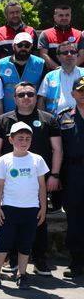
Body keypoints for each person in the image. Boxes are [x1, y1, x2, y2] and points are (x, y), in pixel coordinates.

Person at [0, 81, 62, 276]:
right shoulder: (4, 120)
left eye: (30, 94)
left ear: (35, 96)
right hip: (11, 179)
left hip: (39, 179)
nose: (26, 98)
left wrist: (54, 174)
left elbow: (57, 148)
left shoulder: (48, 119)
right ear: (14, 98)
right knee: (10, 222)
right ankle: (12, 260)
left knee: (39, 220)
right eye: (21, 95)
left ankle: (39, 260)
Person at [0, 122, 48, 290]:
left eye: (27, 138)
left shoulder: (37, 160)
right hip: (9, 208)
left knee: (26, 243)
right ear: (11, 140)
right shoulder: (4, 160)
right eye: (20, 138)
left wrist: (43, 208)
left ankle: (22, 275)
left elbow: (42, 186)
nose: (24, 142)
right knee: (3, 242)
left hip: (31, 209)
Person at [57, 76, 84, 278]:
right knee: (74, 219)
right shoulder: (64, 117)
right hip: (73, 173)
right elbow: (57, 150)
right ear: (73, 93)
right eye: (80, 90)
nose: (83, 94)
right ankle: (77, 262)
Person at [0, 32, 47, 113]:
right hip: (8, 113)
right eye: (19, 45)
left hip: (32, 113)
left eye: (27, 46)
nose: (23, 48)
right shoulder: (1, 64)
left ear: (31, 47)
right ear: (13, 46)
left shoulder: (40, 64)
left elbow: (43, 94)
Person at [0, 0, 38, 73]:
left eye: (17, 12)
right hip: (4, 74)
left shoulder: (31, 31)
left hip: (28, 73)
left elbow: (37, 54)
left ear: (21, 13)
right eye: (12, 13)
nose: (15, 15)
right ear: (6, 15)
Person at [38, 41, 84, 115]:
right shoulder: (50, 76)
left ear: (77, 54)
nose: (69, 55)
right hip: (55, 121)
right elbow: (41, 100)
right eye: (65, 53)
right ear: (58, 57)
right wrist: (43, 120)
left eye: (72, 52)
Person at [38, 5, 82, 70]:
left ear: (70, 16)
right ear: (55, 17)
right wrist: (59, 70)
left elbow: (82, 55)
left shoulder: (79, 34)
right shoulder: (45, 34)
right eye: (61, 15)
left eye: (67, 15)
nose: (64, 18)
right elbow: (43, 54)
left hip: (76, 75)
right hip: (52, 74)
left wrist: (71, 69)